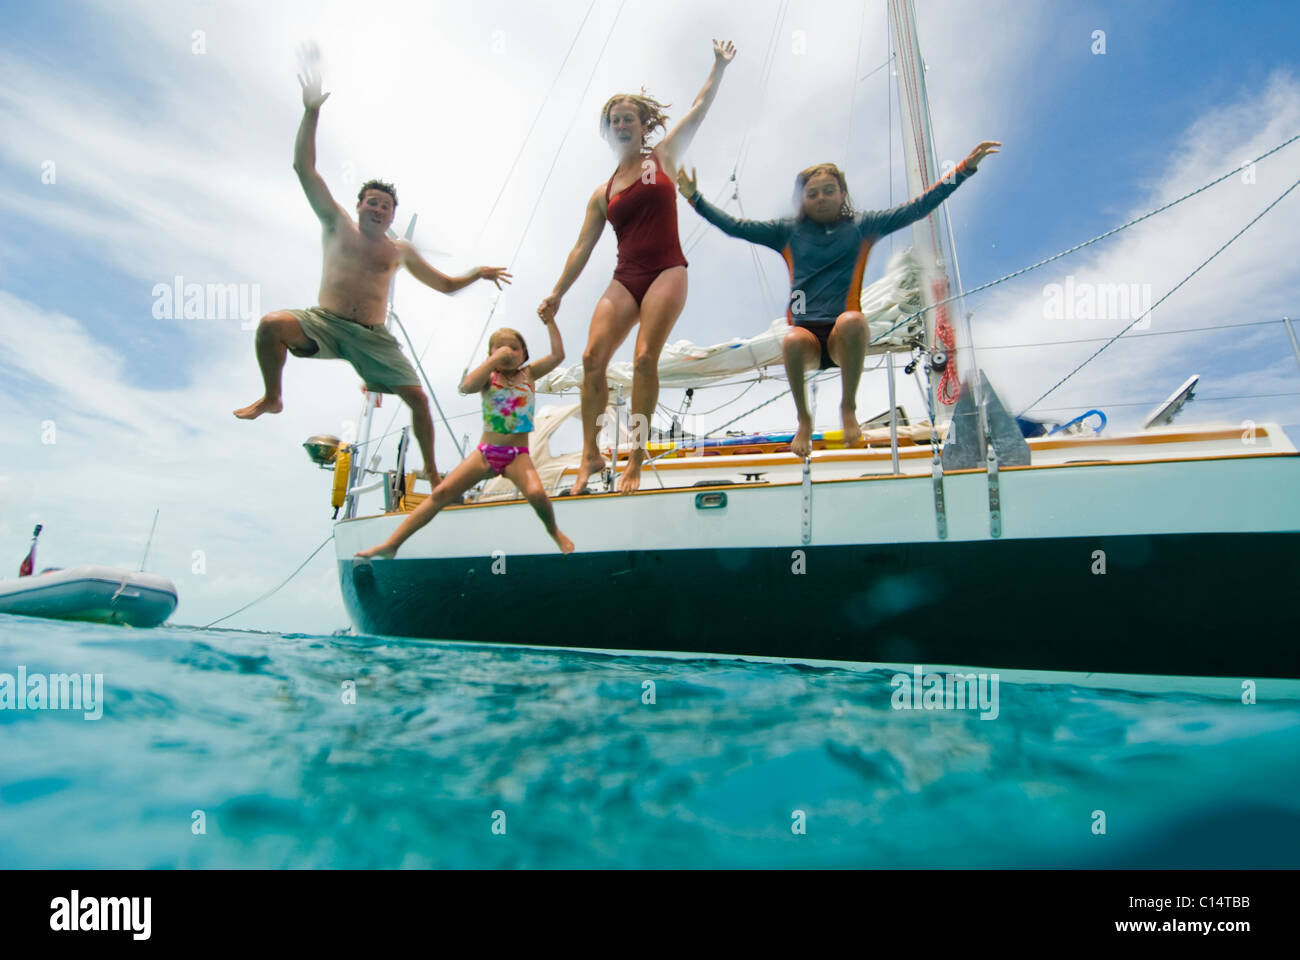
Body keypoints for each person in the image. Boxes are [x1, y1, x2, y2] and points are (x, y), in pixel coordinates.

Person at [234, 55, 511, 485]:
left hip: (373, 338)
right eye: (372, 202)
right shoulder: (336, 224)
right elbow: (303, 169)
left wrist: (476, 273)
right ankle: (273, 396)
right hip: (323, 323)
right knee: (272, 325)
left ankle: (435, 472)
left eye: (386, 205)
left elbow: (445, 285)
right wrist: (311, 112)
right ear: (360, 205)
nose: (379, 209)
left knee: (418, 399)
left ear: (391, 214)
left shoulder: (398, 251)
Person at [677, 141, 1001, 456]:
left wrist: (964, 170)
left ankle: (848, 407)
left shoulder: (863, 226)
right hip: (806, 341)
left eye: (829, 191)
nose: (821, 199)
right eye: (812, 193)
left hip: (841, 340)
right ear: (802, 199)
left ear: (842, 194)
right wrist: (695, 198)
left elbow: (918, 207)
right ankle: (803, 419)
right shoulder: (787, 232)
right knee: (790, 339)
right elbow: (735, 226)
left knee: (853, 320)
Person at [538, 39, 736, 495]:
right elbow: (581, 249)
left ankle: (637, 455)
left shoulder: (661, 159)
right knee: (591, 359)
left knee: (645, 358)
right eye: (615, 120)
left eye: (629, 118)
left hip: (667, 269)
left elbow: (700, 108)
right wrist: (557, 293)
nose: (622, 124)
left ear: (644, 126)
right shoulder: (602, 192)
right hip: (625, 278)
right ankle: (590, 453)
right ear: (608, 131)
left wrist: (718, 66)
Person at [356, 318, 575, 558]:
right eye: (499, 348)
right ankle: (392, 544)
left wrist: (551, 322)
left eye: (514, 347)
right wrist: (493, 361)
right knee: (440, 495)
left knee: (535, 493)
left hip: (516, 456)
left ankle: (553, 531)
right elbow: (468, 386)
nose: (507, 352)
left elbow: (558, 355)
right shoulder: (489, 378)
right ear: (490, 354)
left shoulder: (529, 374)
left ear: (524, 354)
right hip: (485, 453)